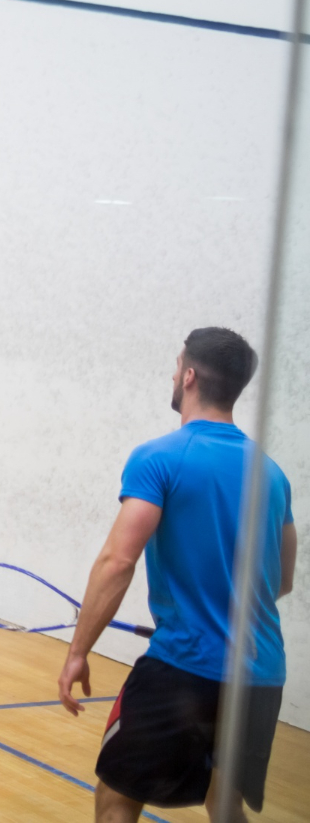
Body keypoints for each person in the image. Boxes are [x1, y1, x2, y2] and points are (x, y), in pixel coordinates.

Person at [57, 327, 296, 823]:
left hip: (185, 667)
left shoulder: (159, 458)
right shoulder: (272, 475)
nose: (172, 373)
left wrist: (79, 651)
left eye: (176, 364)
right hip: (262, 674)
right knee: (225, 805)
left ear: (188, 376)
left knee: (117, 796)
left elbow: (117, 561)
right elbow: (281, 581)